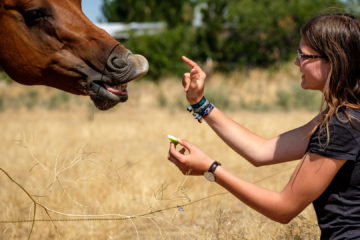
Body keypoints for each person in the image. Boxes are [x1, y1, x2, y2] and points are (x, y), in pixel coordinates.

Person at [167, 13, 360, 239]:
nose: (296, 62)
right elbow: (261, 151)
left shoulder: (342, 126)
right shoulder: (346, 117)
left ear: (333, 61)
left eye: (304, 55)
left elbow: (284, 208)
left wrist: (211, 170)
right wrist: (199, 103)